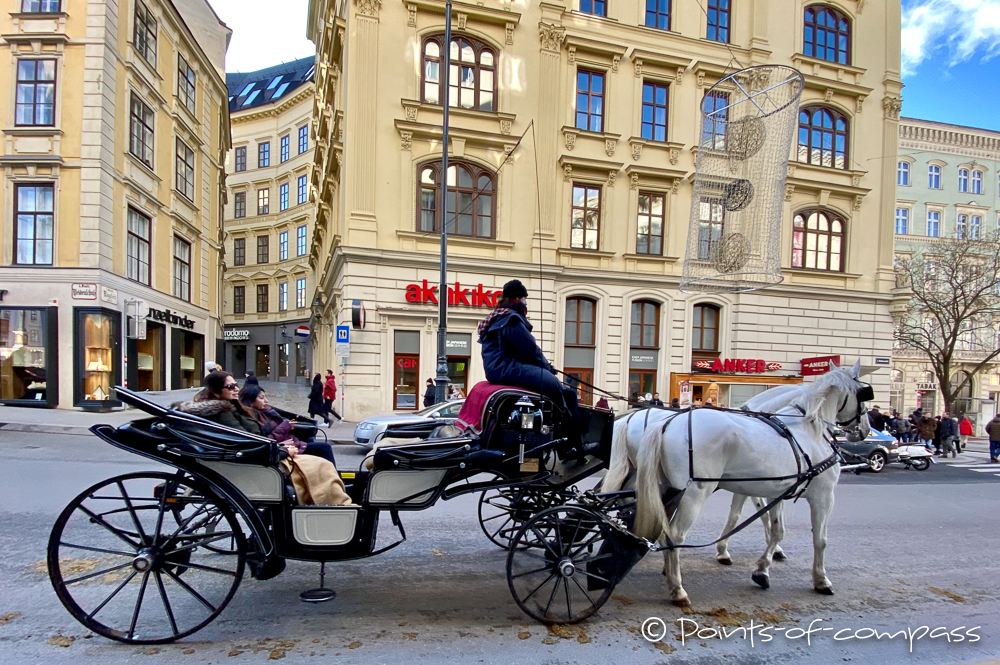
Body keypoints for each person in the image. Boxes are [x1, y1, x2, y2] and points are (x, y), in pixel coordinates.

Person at [478, 279, 581, 440]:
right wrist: (547, 368)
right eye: (525, 298)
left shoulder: (499, 317)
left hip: (499, 369)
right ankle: (573, 443)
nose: (526, 302)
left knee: (554, 383)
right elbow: (529, 350)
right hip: (505, 368)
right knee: (555, 385)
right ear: (518, 299)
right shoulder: (511, 319)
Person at [240, 384, 336, 464]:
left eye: (265, 397)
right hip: (286, 448)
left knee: (322, 447)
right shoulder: (254, 418)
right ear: (251, 401)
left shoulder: (267, 412)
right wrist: (285, 427)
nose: (266, 401)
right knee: (324, 448)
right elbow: (265, 440)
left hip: (293, 444)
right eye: (261, 398)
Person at [175, 371, 261, 434]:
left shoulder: (233, 405)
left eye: (236, 385)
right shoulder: (223, 412)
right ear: (216, 392)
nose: (237, 389)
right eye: (230, 386)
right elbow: (244, 438)